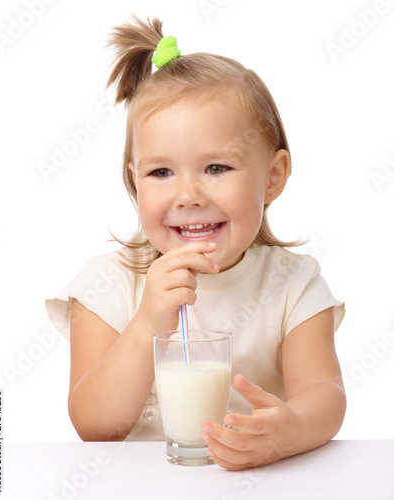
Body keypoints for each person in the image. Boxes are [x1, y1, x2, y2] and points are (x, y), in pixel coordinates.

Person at [46, 15, 346, 471]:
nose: (188, 197)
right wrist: (148, 322)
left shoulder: (293, 285)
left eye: (216, 168)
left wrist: (290, 431)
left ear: (272, 177)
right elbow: (92, 425)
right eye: (161, 172)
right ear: (134, 180)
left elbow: (324, 395)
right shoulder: (108, 284)